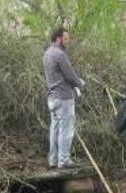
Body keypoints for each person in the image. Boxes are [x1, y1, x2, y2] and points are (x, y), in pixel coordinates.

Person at [43, 27, 85, 169]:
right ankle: (64, 160)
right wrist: (80, 84)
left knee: (54, 130)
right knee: (66, 130)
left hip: (52, 98)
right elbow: (70, 75)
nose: (68, 41)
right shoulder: (60, 55)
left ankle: (53, 160)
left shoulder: (47, 53)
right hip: (63, 98)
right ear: (59, 38)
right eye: (66, 39)